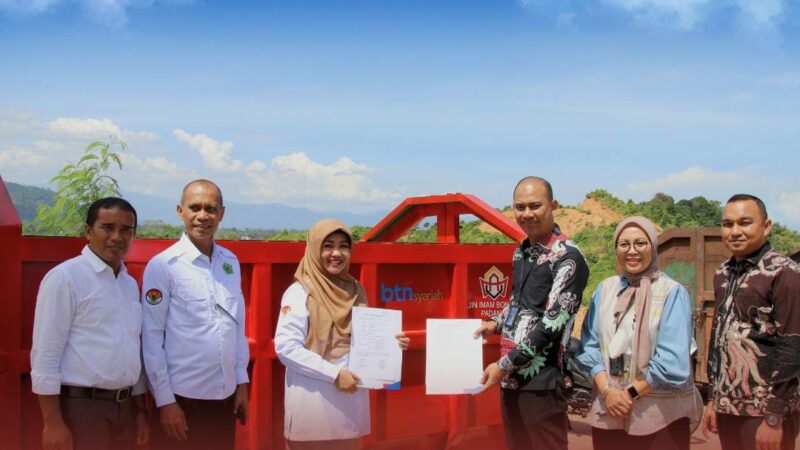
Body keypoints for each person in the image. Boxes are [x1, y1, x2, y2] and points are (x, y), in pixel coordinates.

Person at [473, 176, 589, 450]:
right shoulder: (522, 252)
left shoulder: (568, 257)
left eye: (535, 206)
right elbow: (519, 304)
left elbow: (551, 324)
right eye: (520, 207)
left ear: (553, 205)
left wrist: (502, 366)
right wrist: (494, 323)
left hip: (543, 385)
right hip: (512, 382)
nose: (527, 214)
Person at [274, 219, 410, 450]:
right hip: (313, 410)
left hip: (349, 412)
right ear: (315, 248)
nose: (336, 253)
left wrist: (391, 344)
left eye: (343, 246)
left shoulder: (355, 290)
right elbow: (286, 348)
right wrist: (335, 374)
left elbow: (362, 340)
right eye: (327, 245)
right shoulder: (299, 292)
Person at [30, 197, 148, 450]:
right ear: (87, 231)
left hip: (125, 408)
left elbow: (132, 348)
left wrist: (139, 412)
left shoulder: (128, 284)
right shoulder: (65, 278)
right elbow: (45, 354)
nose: (117, 236)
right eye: (107, 227)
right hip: (82, 410)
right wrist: (52, 423)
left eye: (126, 230)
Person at [576, 216, 701, 450]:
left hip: (660, 419)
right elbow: (588, 346)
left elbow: (672, 360)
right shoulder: (605, 289)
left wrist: (628, 394)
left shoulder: (671, 292)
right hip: (609, 413)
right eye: (624, 244)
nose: (632, 251)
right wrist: (608, 392)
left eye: (640, 243)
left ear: (653, 246)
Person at [141, 180, 249, 450]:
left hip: (224, 398)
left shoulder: (230, 263)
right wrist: (165, 402)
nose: (203, 216)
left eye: (211, 209)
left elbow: (237, 329)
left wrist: (242, 383)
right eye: (194, 208)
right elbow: (151, 339)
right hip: (182, 401)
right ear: (180, 211)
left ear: (222, 213)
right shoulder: (163, 266)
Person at [702, 194, 800, 450]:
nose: (735, 231)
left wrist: (774, 417)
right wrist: (714, 399)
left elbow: (792, 346)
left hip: (765, 413)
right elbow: (717, 337)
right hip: (728, 409)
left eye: (745, 223)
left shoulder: (784, 272)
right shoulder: (722, 273)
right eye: (728, 224)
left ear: (766, 226)